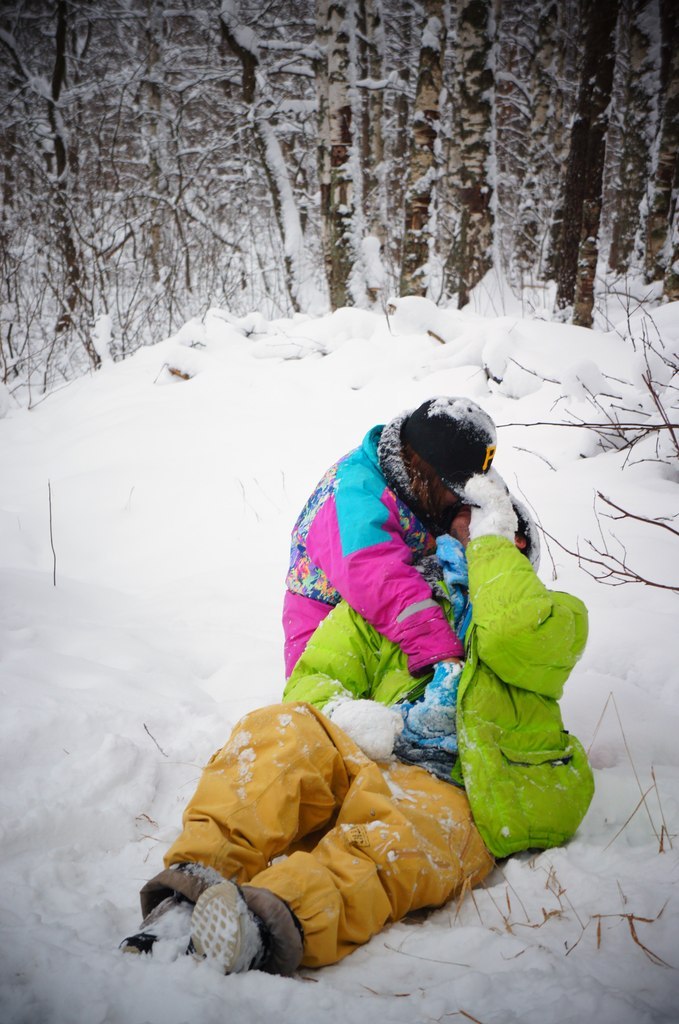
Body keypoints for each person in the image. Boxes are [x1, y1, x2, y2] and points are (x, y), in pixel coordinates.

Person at [121, 471, 594, 976]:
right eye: (459, 526)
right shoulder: (387, 610)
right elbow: (312, 683)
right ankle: (189, 895)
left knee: (394, 844)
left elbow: (510, 631)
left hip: (459, 786)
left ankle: (261, 926)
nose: (467, 537)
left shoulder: (554, 620)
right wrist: (369, 723)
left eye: (482, 527)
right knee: (280, 731)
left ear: (515, 545)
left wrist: (493, 548)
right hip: (372, 755)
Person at [283, 395, 499, 679]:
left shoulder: (415, 474)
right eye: (455, 491)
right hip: (329, 637)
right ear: (428, 472)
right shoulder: (354, 495)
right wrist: (438, 649)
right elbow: (381, 579)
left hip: (392, 622)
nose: (459, 499)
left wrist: (462, 519)